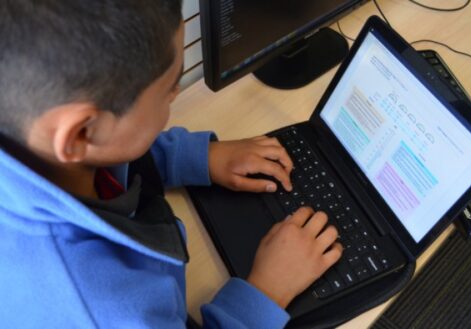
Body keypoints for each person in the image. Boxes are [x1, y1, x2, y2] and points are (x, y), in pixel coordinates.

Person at [0, 1, 343, 328]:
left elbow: (111, 153)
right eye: (168, 89)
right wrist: (266, 292)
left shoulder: (30, 133)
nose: (176, 93)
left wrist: (198, 157)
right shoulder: (109, 312)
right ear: (80, 133)